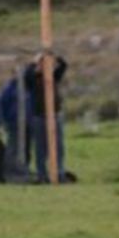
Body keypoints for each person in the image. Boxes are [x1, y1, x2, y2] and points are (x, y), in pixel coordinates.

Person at [21, 53, 69, 184]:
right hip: (39, 117)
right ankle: (42, 175)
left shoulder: (52, 76)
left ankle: (59, 173)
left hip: (55, 115)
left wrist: (55, 56)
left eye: (46, 63)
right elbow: (25, 75)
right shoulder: (32, 78)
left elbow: (64, 65)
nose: (45, 66)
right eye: (42, 63)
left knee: (59, 147)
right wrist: (34, 62)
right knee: (41, 148)